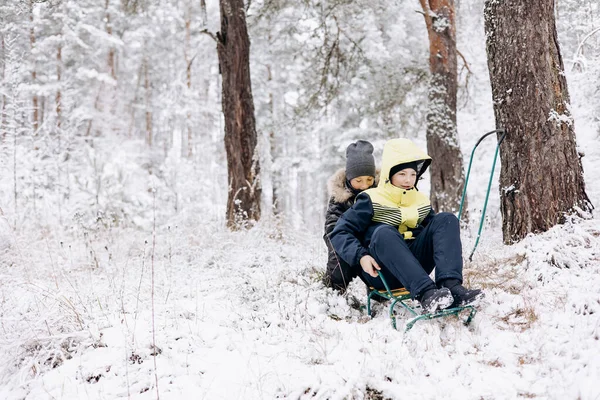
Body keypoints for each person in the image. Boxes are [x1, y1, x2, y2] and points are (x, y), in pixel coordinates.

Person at [329, 138, 483, 313]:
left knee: (446, 219)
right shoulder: (370, 199)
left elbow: (438, 233)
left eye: (412, 174)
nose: (408, 180)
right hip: (381, 271)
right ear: (389, 174)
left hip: (414, 266)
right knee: (384, 232)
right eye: (402, 174)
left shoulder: (419, 200)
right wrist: (361, 256)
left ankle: (452, 287)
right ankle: (427, 294)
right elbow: (339, 232)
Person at [323, 140, 378, 293]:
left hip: (372, 240)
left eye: (369, 179)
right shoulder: (339, 197)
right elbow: (331, 227)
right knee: (338, 256)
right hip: (347, 240)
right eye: (358, 180)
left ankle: (378, 295)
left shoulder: (380, 193)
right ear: (349, 177)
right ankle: (334, 291)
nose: (365, 185)